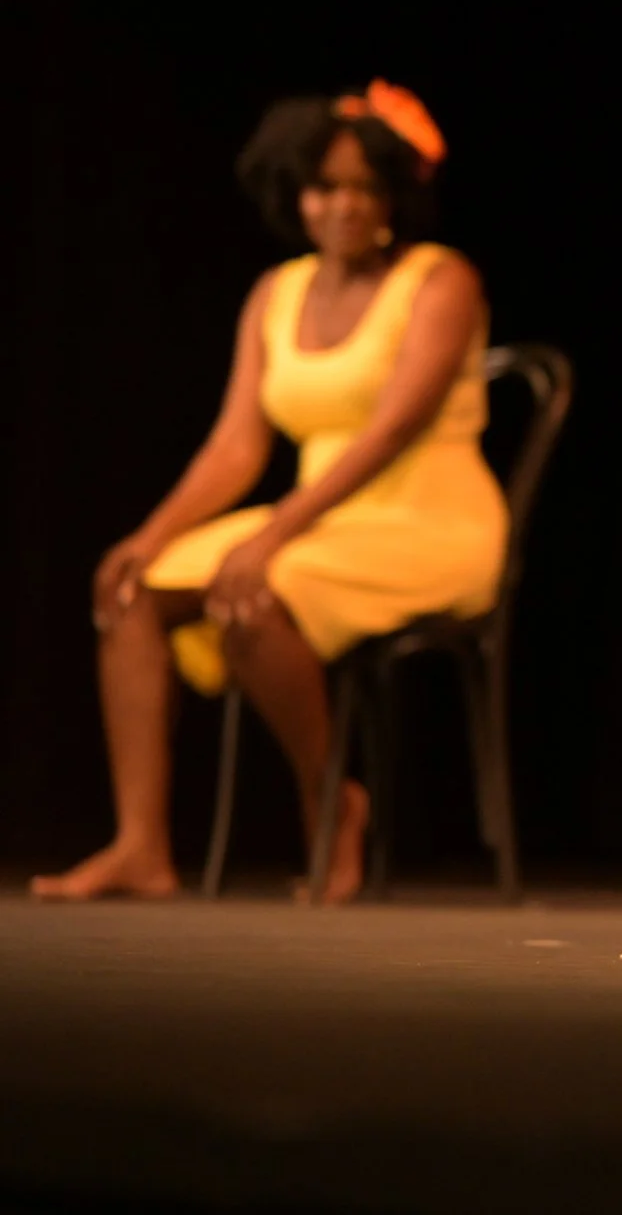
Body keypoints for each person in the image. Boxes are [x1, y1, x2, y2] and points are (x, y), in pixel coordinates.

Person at [32, 81, 507, 905]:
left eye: (364, 187)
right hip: (321, 515)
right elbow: (236, 444)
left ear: (394, 193)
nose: (344, 205)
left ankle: (331, 807)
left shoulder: (441, 281)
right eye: (327, 187)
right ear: (297, 194)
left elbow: (388, 433)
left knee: (254, 590)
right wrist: (151, 534)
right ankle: (141, 845)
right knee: (131, 589)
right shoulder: (275, 294)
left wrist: (272, 537)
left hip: (425, 516)